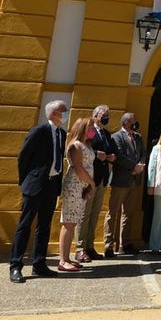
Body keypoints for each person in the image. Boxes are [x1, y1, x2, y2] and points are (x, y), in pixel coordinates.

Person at [8, 99, 68, 283]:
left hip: (51, 185)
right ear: (52, 114)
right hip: (35, 185)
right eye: (62, 111)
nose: (65, 114)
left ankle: (39, 264)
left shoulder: (61, 133)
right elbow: (23, 158)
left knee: (44, 226)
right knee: (25, 225)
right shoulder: (38, 132)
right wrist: (25, 181)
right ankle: (16, 265)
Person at [76, 104, 117, 263]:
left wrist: (111, 156)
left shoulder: (107, 134)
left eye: (108, 114)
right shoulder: (89, 130)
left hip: (102, 178)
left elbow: (109, 151)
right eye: (103, 114)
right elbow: (83, 148)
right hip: (90, 177)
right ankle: (80, 248)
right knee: (85, 214)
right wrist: (96, 154)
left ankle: (89, 246)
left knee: (94, 214)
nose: (106, 117)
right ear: (95, 115)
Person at [57, 116, 96, 272]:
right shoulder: (76, 145)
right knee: (68, 222)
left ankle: (67, 258)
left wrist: (88, 186)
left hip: (82, 186)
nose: (93, 130)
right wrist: (91, 183)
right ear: (83, 128)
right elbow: (79, 168)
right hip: (74, 186)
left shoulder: (86, 144)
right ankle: (62, 260)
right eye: (91, 128)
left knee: (73, 222)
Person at [105, 111, 145, 257]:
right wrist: (134, 167)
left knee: (129, 213)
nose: (136, 123)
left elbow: (143, 153)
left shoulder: (138, 137)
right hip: (121, 180)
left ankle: (125, 243)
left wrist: (140, 165)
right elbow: (119, 156)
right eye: (133, 120)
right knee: (113, 212)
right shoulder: (116, 136)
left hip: (134, 180)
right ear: (126, 122)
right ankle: (108, 245)